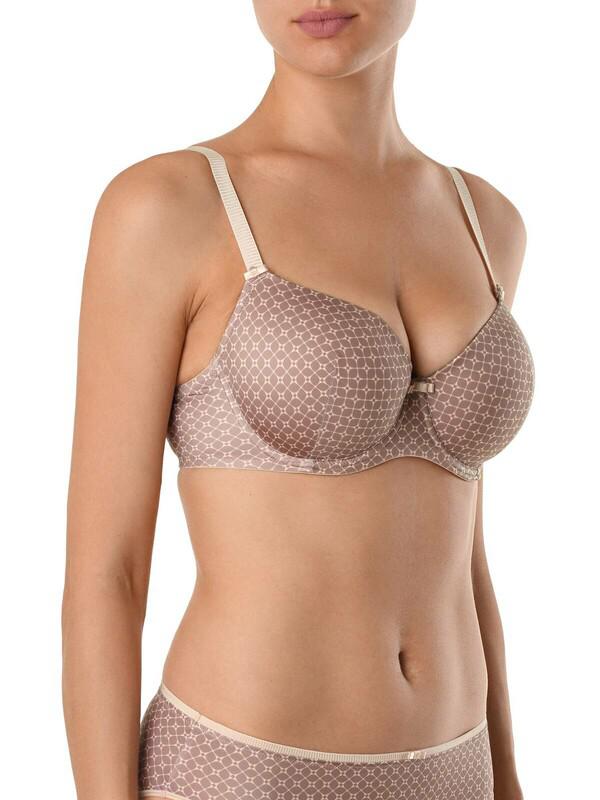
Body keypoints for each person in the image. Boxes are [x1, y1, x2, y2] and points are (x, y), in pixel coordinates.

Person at [62, 2, 535, 799]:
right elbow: (109, 571)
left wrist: (509, 778)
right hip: (244, 768)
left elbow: (461, 550)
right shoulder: (171, 205)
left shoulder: (486, 220)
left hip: (460, 768)